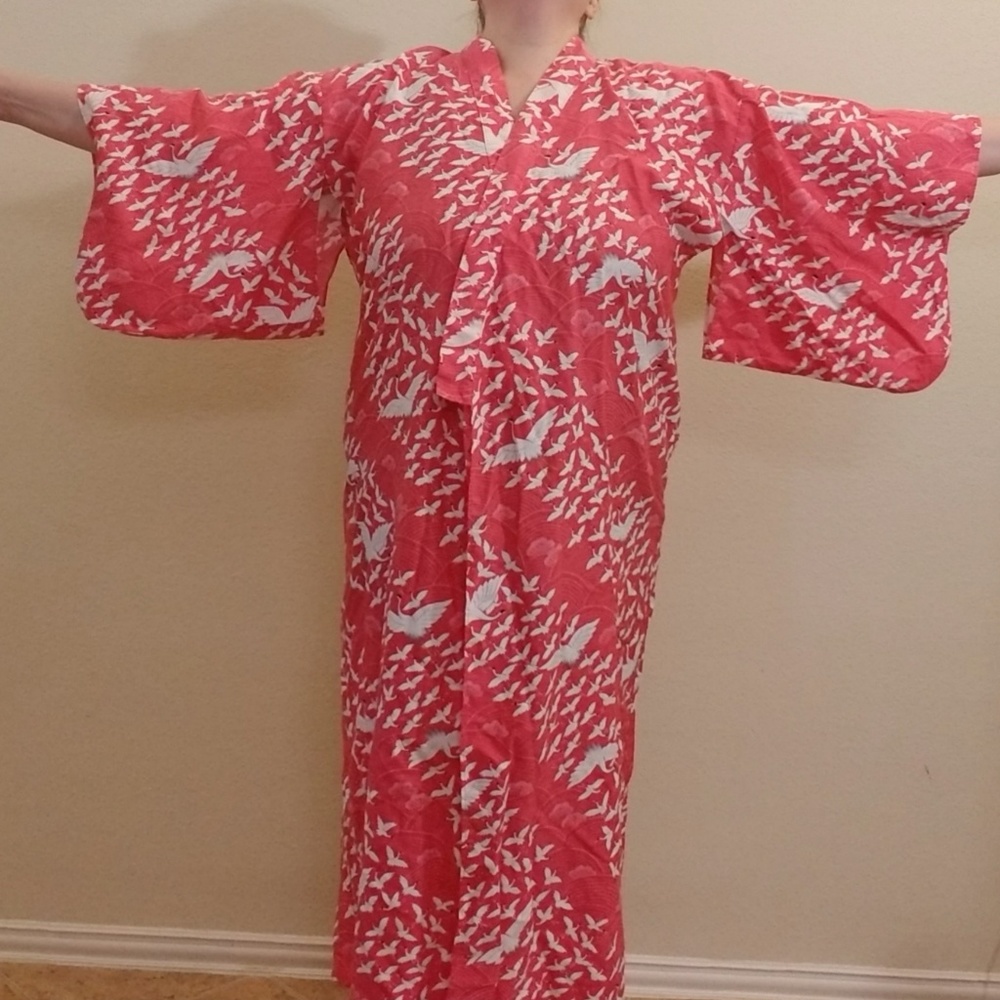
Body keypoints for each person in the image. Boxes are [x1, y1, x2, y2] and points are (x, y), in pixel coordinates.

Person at [2, 1, 997, 997]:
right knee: (406, 732)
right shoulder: (376, 104)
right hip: (408, 503)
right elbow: (178, 134)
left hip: (588, 504)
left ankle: (546, 980)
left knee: (562, 743)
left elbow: (894, 160)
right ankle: (408, 978)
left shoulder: (684, 114)